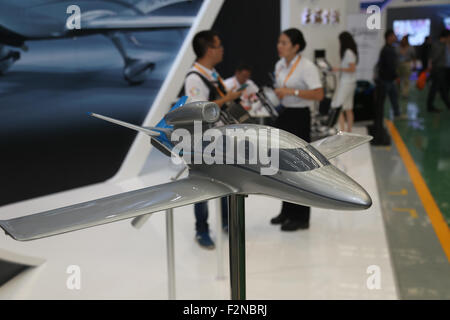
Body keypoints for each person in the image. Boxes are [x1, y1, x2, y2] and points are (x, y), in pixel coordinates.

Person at [184, 30, 242, 249]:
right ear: (209, 50)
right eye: (219, 46)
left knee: (227, 180)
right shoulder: (194, 78)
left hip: (222, 136)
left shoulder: (212, 73)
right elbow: (201, 110)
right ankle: (201, 230)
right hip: (202, 140)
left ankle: (227, 222)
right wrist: (229, 98)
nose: (222, 49)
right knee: (202, 186)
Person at [270, 28, 324, 231]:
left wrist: (291, 91)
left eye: (284, 43)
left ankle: (301, 216)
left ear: (296, 46)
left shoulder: (306, 66)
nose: (279, 46)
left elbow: (319, 94)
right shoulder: (279, 65)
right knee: (283, 167)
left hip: (299, 118)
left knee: (299, 168)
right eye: (279, 42)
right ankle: (286, 211)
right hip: (283, 116)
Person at [331, 31, 358, 132]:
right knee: (348, 107)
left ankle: (342, 131)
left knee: (337, 106)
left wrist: (338, 69)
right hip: (350, 82)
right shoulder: (351, 52)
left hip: (347, 82)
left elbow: (352, 68)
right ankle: (348, 130)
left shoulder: (348, 52)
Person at [376, 29, 402, 118]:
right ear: (389, 37)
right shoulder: (387, 50)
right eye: (393, 35)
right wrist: (396, 76)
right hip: (385, 79)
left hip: (389, 79)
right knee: (382, 99)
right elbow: (389, 65)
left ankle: (397, 113)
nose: (395, 37)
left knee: (394, 97)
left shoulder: (390, 48)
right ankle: (379, 116)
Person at [426, 29, 450, 113]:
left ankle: (432, 106)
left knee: (441, 89)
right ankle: (430, 106)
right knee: (436, 88)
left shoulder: (444, 45)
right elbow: (434, 57)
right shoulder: (438, 45)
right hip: (438, 69)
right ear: (446, 37)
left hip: (443, 69)